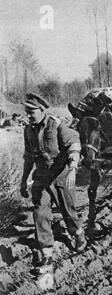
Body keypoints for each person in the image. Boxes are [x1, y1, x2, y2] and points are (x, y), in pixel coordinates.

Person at [20, 93, 87, 275]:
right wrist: (24, 179)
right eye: (26, 112)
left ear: (41, 110)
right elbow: (28, 158)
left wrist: (73, 167)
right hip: (41, 176)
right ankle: (46, 255)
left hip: (60, 174)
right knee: (40, 213)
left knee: (68, 210)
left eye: (31, 112)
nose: (28, 116)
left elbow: (74, 143)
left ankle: (78, 233)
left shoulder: (56, 124)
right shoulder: (28, 130)